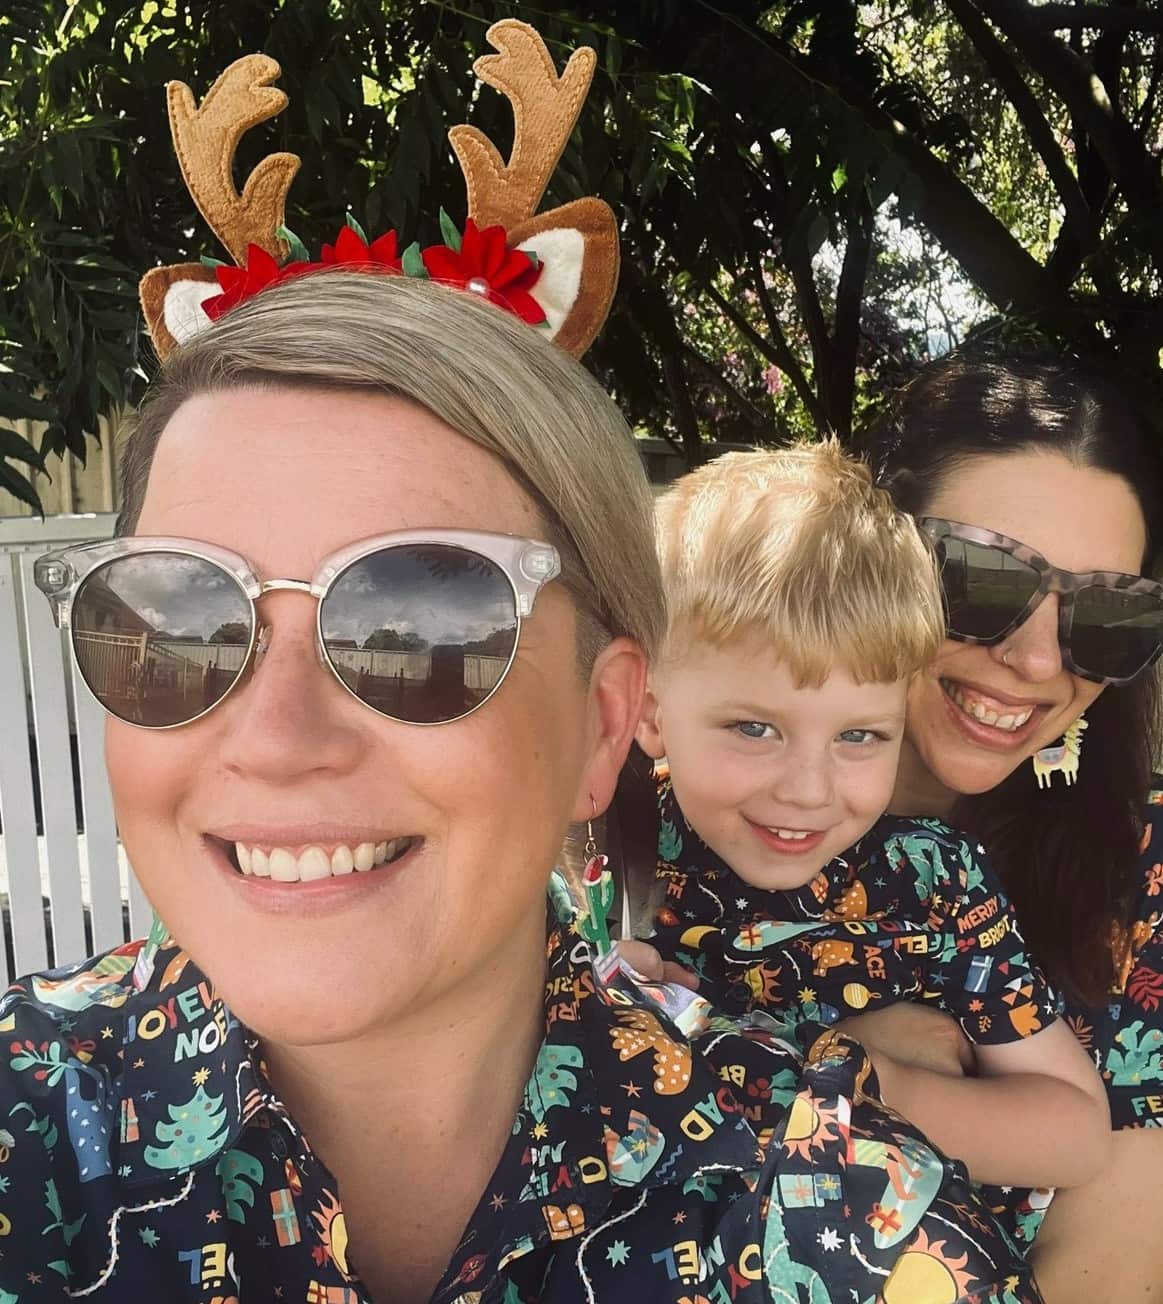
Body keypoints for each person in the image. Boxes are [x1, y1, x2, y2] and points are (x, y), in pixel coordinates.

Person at [0, 33, 1041, 1299]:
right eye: (178, 617)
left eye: (421, 621)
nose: (272, 736)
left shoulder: (832, 1222)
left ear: (604, 727)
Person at [633, 441, 1110, 1198]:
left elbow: (1075, 1134)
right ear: (647, 711)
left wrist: (854, 1076)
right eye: (755, 728)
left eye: (859, 736)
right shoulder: (595, 859)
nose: (808, 790)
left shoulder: (934, 877)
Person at [860, 351, 1163, 1297]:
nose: (1035, 660)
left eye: (1103, 613)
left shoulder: (1139, 880)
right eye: (978, 580)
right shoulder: (652, 817)